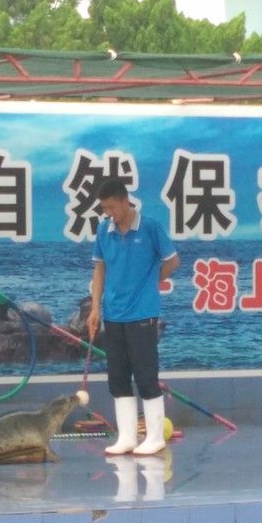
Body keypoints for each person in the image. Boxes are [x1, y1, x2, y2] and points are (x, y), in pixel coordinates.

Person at [87, 178, 179, 455]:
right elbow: (99, 269)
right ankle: (127, 436)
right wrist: (95, 308)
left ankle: (155, 437)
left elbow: (173, 261)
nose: (108, 213)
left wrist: (151, 282)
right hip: (113, 315)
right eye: (104, 209)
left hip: (142, 315)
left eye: (112, 207)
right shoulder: (104, 231)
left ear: (125, 201)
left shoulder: (150, 227)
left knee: (146, 376)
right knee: (118, 378)